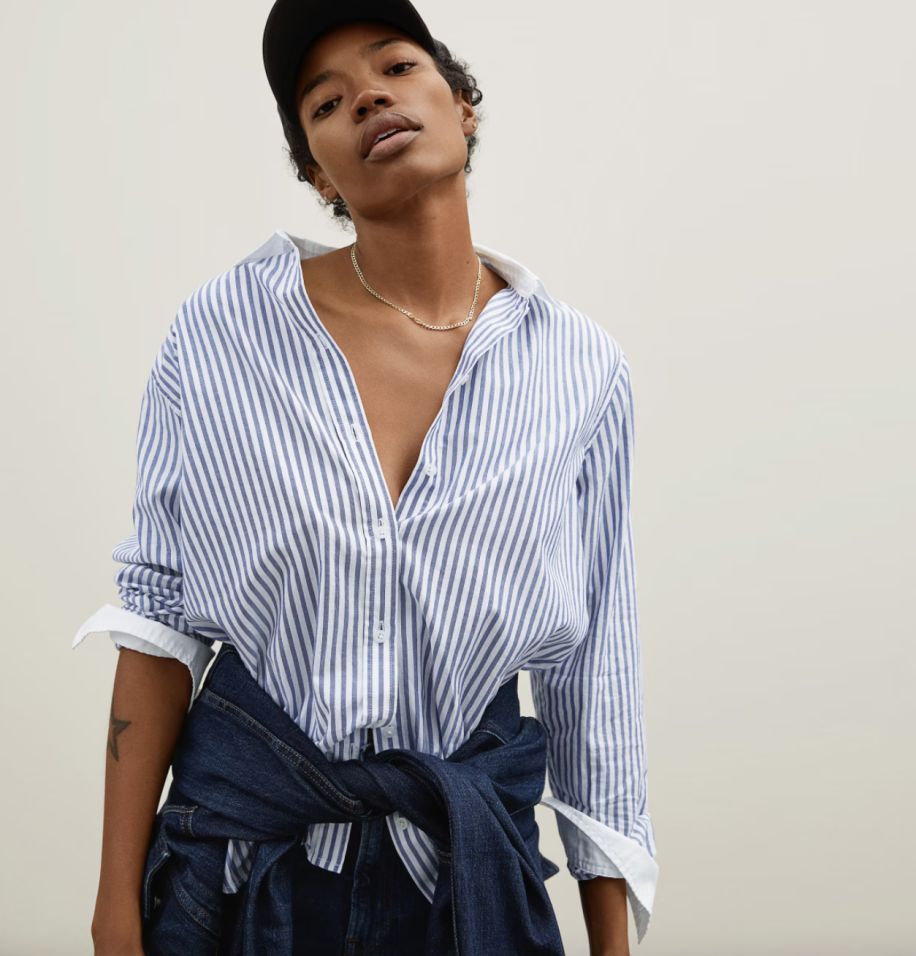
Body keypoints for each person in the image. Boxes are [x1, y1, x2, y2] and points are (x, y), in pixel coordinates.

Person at [73, 1, 659, 953]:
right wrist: (112, 919)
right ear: (316, 170)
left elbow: (595, 678)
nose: (369, 97)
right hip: (236, 885)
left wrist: (610, 943)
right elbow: (161, 621)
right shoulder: (222, 336)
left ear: (461, 103)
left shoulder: (581, 370)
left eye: (395, 64)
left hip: (464, 891)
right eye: (326, 101)